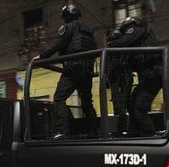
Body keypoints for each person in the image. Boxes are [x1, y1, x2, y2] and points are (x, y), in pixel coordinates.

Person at [33, 3, 98, 140]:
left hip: (74, 67)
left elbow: (58, 44)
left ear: (66, 16)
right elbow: (95, 51)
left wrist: (41, 57)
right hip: (87, 69)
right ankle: (94, 131)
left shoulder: (67, 28)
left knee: (59, 98)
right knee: (87, 102)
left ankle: (63, 132)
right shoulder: (88, 31)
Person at [107, 16, 161, 136]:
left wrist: (112, 44)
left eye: (125, 31)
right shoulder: (139, 43)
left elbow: (124, 42)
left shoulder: (137, 30)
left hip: (153, 76)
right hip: (149, 77)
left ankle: (149, 134)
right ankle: (139, 133)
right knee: (132, 104)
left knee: (139, 109)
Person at [105, 29, 134, 136]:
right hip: (123, 79)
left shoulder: (113, 52)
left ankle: (121, 131)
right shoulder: (123, 49)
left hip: (119, 80)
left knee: (120, 106)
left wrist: (109, 76)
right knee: (127, 104)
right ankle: (130, 129)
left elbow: (111, 69)